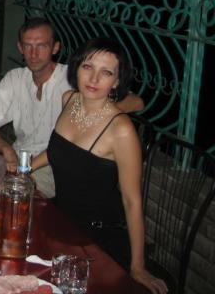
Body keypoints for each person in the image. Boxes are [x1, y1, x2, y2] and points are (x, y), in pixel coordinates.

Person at [31, 38, 167, 294]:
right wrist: (23, 169)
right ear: (76, 68)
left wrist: (137, 267)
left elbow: (132, 201)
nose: (94, 78)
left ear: (116, 81)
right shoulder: (69, 99)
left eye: (106, 72)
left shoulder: (121, 130)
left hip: (96, 239)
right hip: (61, 222)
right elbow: (60, 151)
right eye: (88, 67)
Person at [0, 18, 143, 198]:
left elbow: (136, 102)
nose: (34, 53)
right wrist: (6, 148)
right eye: (28, 46)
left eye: (41, 46)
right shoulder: (14, 78)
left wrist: (95, 114)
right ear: (20, 48)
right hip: (19, 160)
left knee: (6, 196)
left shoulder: (74, 78)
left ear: (55, 48)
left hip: (53, 166)